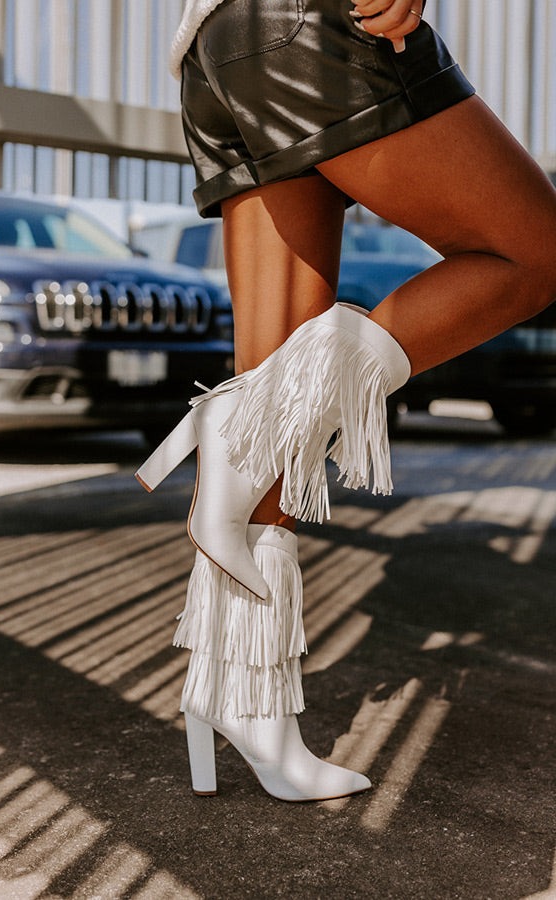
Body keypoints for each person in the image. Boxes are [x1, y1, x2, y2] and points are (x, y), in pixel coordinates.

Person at [136, 0, 556, 801]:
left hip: (219, 50)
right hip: (308, 20)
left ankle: (248, 705)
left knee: (267, 405)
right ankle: (242, 429)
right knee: (533, 251)